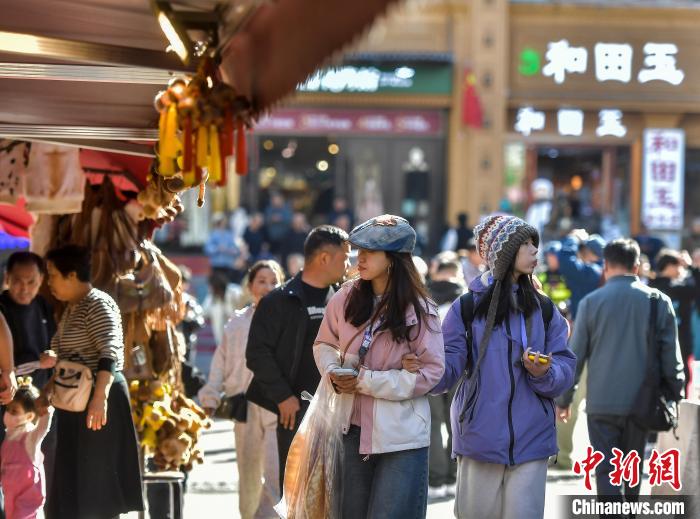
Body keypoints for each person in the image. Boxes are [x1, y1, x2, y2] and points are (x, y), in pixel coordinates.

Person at [432, 215, 575, 519]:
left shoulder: (544, 308)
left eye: (534, 243)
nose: (535, 250)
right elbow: (447, 368)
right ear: (502, 253)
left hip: (533, 438)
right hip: (479, 436)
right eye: (524, 244)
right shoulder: (466, 307)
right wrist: (418, 369)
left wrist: (545, 372)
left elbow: (564, 367)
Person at [313, 214, 445, 518]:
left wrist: (364, 380)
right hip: (349, 430)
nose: (361, 258)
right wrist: (334, 372)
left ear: (394, 259)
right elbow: (323, 344)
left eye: (370, 251)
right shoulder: (345, 296)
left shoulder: (422, 309)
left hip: (402, 438)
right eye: (359, 250)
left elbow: (432, 372)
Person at [556, 239, 685, 506]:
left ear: (605, 266)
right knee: (632, 467)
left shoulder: (591, 303)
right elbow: (671, 356)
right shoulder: (658, 301)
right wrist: (675, 393)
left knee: (606, 469)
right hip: (642, 401)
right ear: (637, 266)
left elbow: (575, 356)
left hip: (601, 402)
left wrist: (564, 399)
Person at [246, 226, 350, 489]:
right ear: (324, 258)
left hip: (340, 412)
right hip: (295, 411)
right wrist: (282, 397)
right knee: (296, 493)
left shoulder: (344, 299)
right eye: (345, 257)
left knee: (334, 494)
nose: (349, 264)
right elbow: (257, 353)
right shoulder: (278, 301)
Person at [44, 245, 143, 518]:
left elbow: (109, 352)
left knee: (96, 487)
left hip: (99, 399)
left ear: (72, 275)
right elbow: (66, 353)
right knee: (73, 483)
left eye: (52, 275)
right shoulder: (72, 308)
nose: (49, 282)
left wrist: (100, 399)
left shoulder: (98, 303)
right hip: (73, 402)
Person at [199, 260, 286, 519]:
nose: (268, 287)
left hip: (276, 406)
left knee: (274, 474)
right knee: (247, 476)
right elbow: (220, 362)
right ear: (249, 286)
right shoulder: (236, 323)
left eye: (274, 282)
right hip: (243, 405)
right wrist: (211, 395)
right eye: (261, 281)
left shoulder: (288, 320)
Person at [0, 252, 58, 513]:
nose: (24, 288)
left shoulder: (43, 307)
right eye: (18, 281)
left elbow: (55, 347)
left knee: (34, 469)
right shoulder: (1, 309)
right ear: (7, 278)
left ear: (41, 280)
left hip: (38, 404)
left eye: (31, 282)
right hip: (8, 405)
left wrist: (51, 359)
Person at [425, 255, 466, 499]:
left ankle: (436, 479)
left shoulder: (424, 298)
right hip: (460, 367)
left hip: (431, 367)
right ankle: (453, 476)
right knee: (456, 424)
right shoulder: (466, 298)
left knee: (433, 424)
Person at [1, 377, 53, 519]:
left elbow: (43, 428)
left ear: (29, 416)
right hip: (10, 497)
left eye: (14, 411)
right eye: (8, 409)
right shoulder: (9, 435)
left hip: (27, 504)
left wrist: (45, 412)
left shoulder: (30, 438)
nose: (8, 413)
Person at [649, 249, 698, 395]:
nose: (681, 270)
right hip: (679, 339)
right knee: (681, 375)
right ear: (670, 266)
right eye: (678, 266)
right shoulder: (678, 288)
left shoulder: (649, 286)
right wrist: (692, 268)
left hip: (657, 340)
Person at [556, 229, 604, 320]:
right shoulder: (599, 268)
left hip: (587, 324)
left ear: (588, 251)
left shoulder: (593, 271)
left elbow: (566, 261)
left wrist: (573, 238)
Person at [205, 213, 248, 284]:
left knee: (227, 283)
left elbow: (236, 249)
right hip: (216, 264)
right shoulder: (212, 235)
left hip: (228, 264)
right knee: (217, 283)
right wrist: (217, 248)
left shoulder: (229, 235)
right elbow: (207, 249)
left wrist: (230, 250)